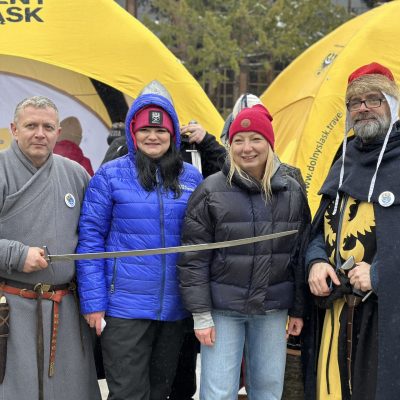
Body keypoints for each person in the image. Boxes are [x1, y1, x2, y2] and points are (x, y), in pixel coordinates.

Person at [76, 89, 203, 400]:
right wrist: (93, 302)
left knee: (160, 392)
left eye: (161, 130)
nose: (153, 136)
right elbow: (91, 239)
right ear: (133, 132)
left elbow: (200, 241)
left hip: (173, 309)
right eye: (145, 129)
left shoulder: (191, 178)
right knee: (127, 393)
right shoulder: (110, 176)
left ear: (172, 134)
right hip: (124, 309)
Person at [178, 104, 310, 400]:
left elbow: (299, 253)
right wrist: (200, 314)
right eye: (238, 140)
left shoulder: (291, 191)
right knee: (218, 391)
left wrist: (298, 309)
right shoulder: (210, 190)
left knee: (268, 390)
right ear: (229, 144)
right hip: (223, 310)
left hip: (273, 308)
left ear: (270, 143)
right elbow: (193, 258)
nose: (247, 148)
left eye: (255, 139)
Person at [304, 62, 400, 400]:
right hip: (336, 310)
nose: (363, 108)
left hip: (386, 315)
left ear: (392, 104)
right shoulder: (343, 157)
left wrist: (380, 273)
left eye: (374, 99)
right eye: (355, 102)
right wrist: (316, 260)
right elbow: (323, 225)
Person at [0, 96, 101, 400]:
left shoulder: (76, 174)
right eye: (31, 126)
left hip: (66, 308)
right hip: (10, 310)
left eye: (47, 127)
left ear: (58, 132)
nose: (40, 134)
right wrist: (16, 254)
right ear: (14, 129)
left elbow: (94, 236)